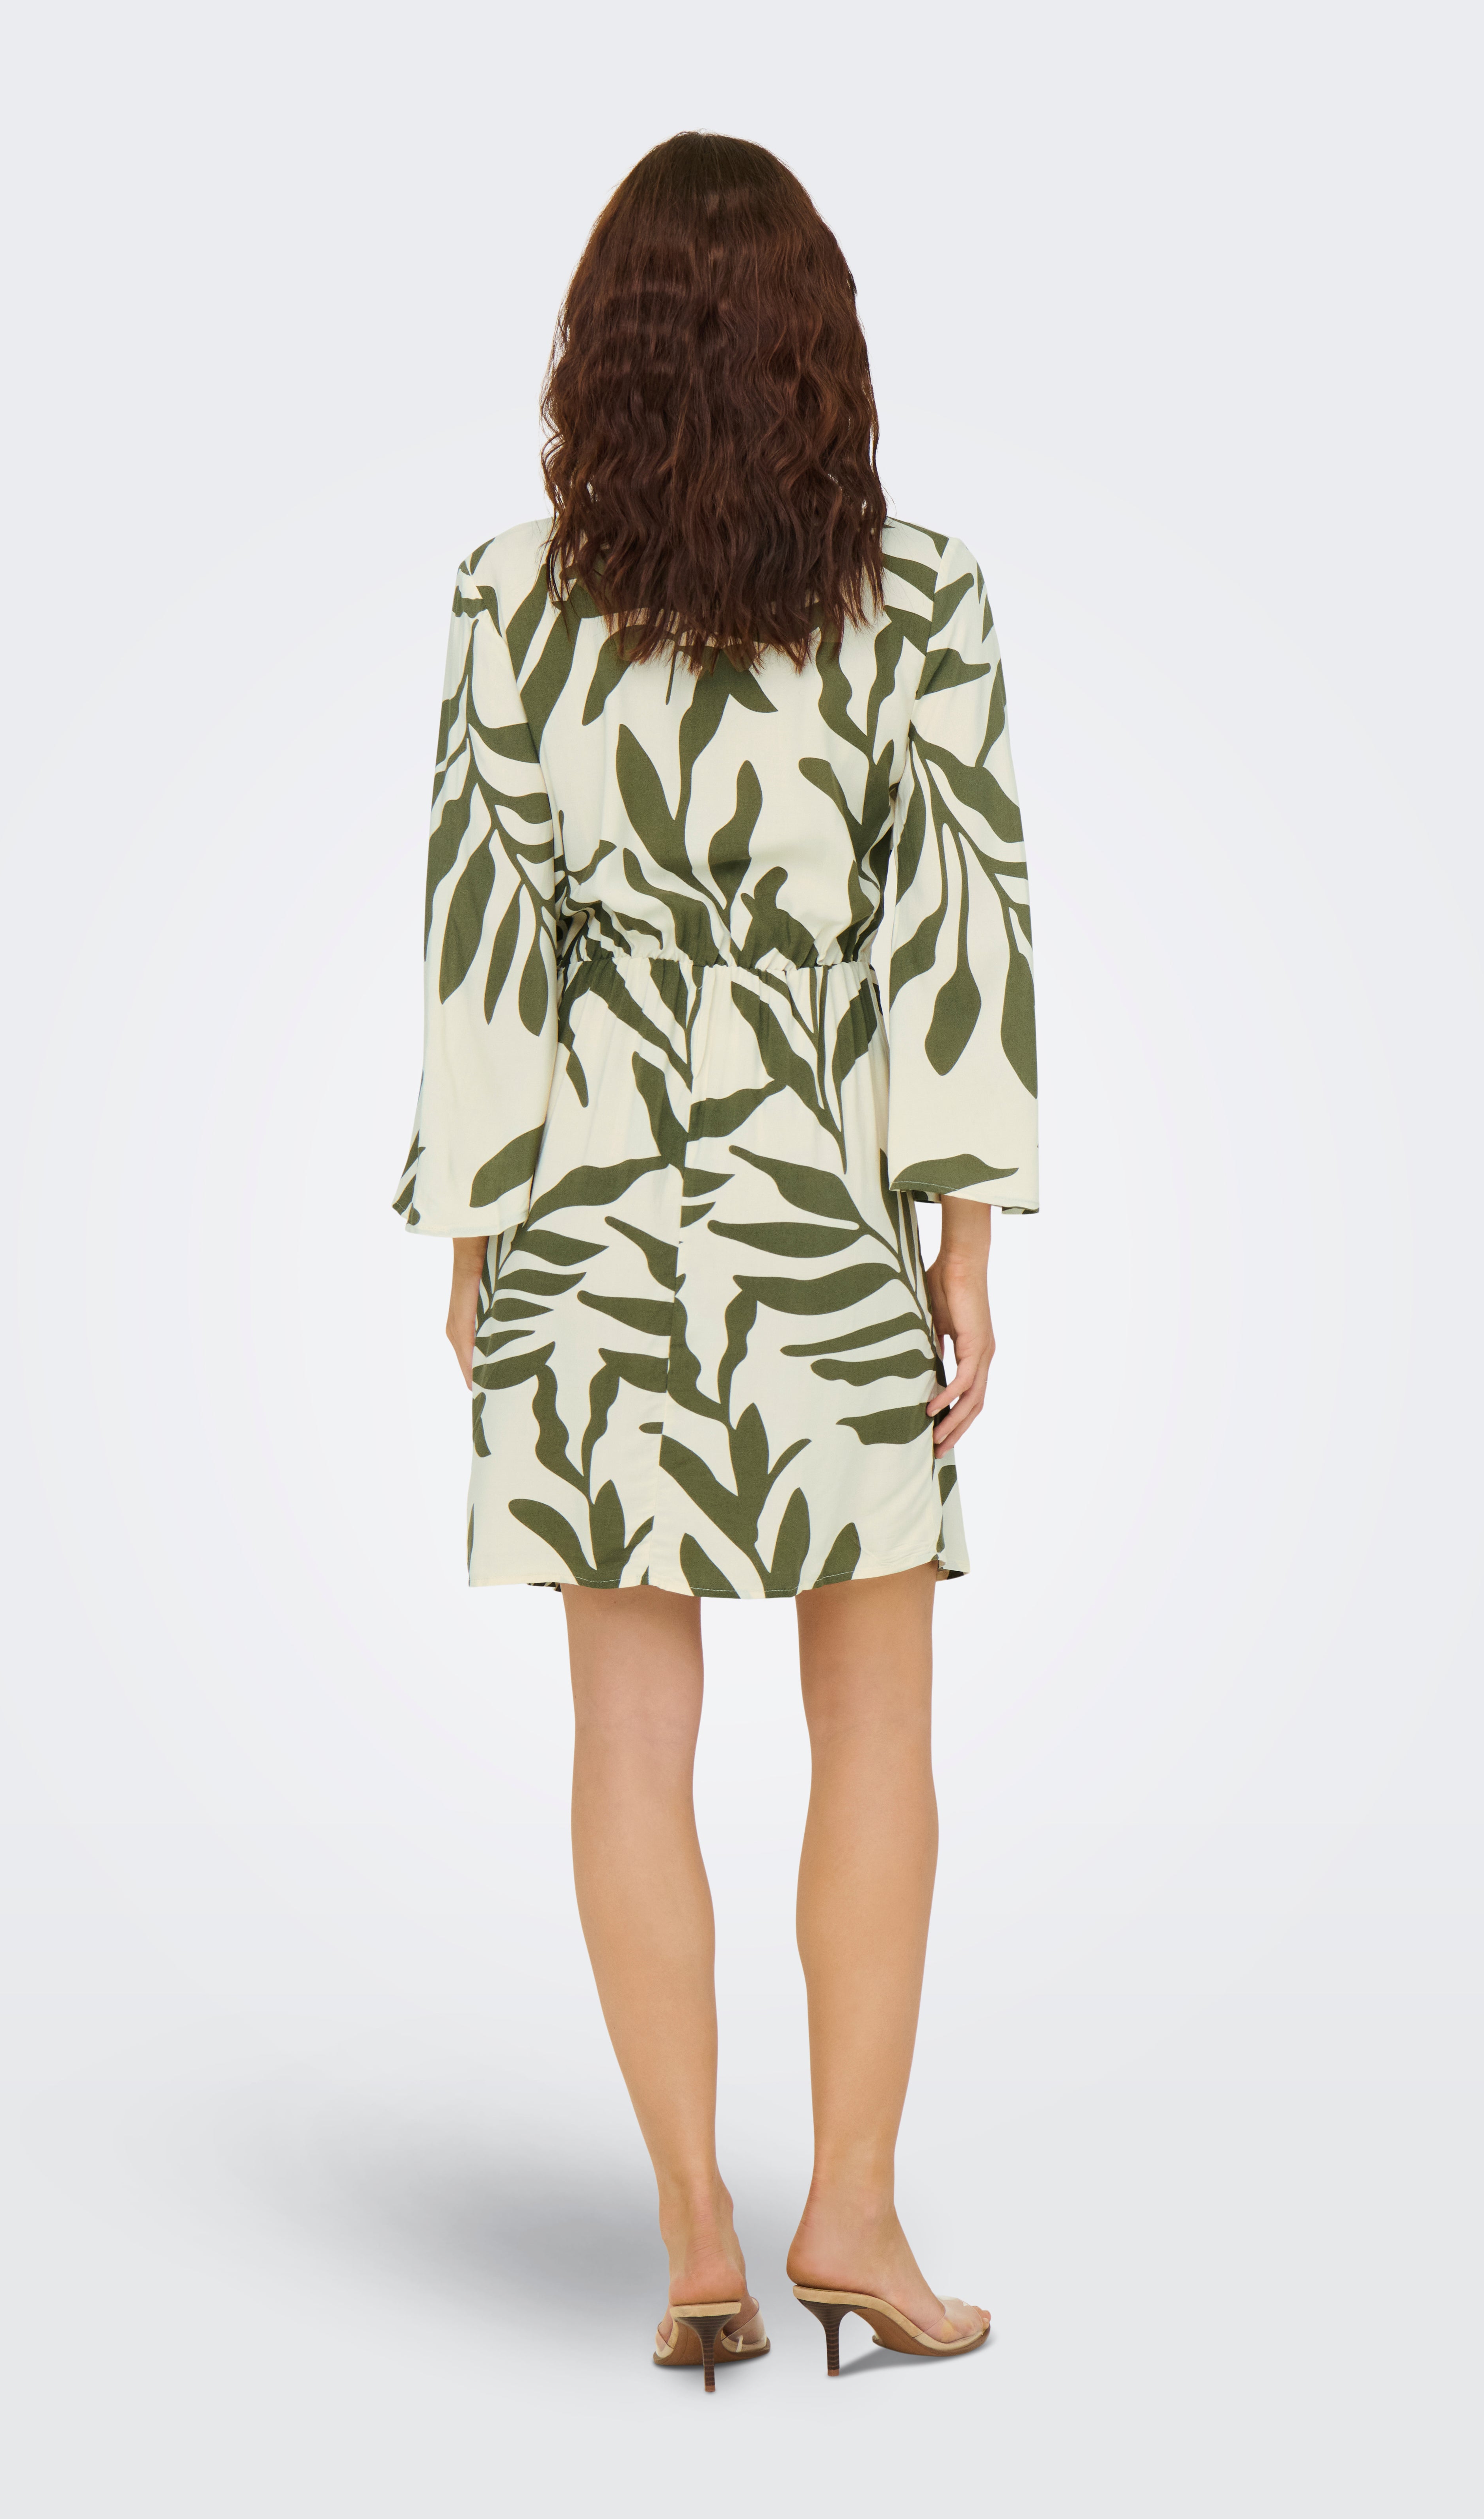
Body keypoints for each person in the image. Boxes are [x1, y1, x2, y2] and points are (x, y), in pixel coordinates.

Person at [398, 131, 1037, 2386]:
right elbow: (961, 934)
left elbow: (482, 938)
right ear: (820, 358)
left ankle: (696, 2234)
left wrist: (475, 1222)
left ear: (604, 354)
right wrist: (967, 1242)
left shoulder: (510, 602)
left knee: (628, 1738)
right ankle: (848, 2211)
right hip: (826, 1219)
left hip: (592, 1227)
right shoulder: (922, 603)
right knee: (879, 1726)